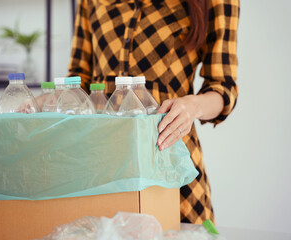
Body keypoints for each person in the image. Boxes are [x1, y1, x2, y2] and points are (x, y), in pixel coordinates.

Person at [38, 0, 239, 224]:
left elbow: (223, 87)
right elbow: (80, 80)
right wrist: (45, 100)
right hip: (100, 167)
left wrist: (192, 106)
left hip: (169, 165)